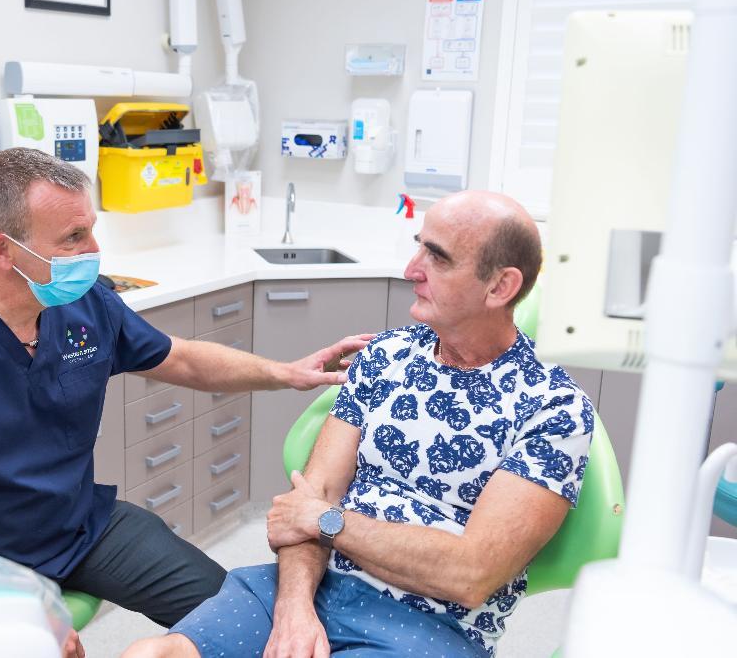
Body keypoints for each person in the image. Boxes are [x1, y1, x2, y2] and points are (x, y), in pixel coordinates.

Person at [0, 148, 371, 658]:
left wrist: (287, 373)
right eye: (74, 237)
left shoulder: (84, 303)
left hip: (82, 526)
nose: (94, 250)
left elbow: (180, 359)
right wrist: (19, 608)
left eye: (92, 229)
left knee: (239, 622)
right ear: (3, 251)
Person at [124, 190, 595, 658]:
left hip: (431, 625)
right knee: (149, 654)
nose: (412, 270)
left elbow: (470, 575)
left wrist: (328, 523)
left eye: (438, 257)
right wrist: (293, 611)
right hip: (313, 587)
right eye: (419, 246)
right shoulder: (386, 357)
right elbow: (311, 499)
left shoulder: (554, 408)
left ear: (500, 287)